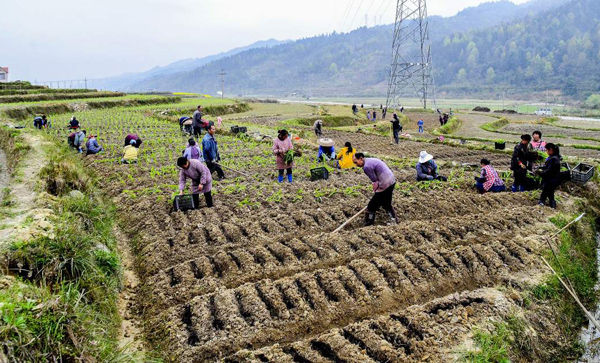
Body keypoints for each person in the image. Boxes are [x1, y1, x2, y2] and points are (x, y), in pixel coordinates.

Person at [353, 153, 397, 226]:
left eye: (356, 162)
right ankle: (393, 220)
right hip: (392, 180)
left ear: (360, 159)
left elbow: (375, 181)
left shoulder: (366, 167)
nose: (356, 165)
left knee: (371, 206)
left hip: (384, 182)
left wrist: (376, 193)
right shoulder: (370, 160)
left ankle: (369, 223)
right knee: (386, 203)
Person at [538, 143, 561, 208]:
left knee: (545, 192)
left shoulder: (553, 159)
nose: (546, 152)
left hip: (550, 179)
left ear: (550, 150)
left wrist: (540, 173)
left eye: (547, 150)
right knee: (550, 193)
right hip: (554, 179)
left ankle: (542, 203)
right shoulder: (556, 157)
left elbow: (549, 170)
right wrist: (542, 168)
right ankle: (552, 206)